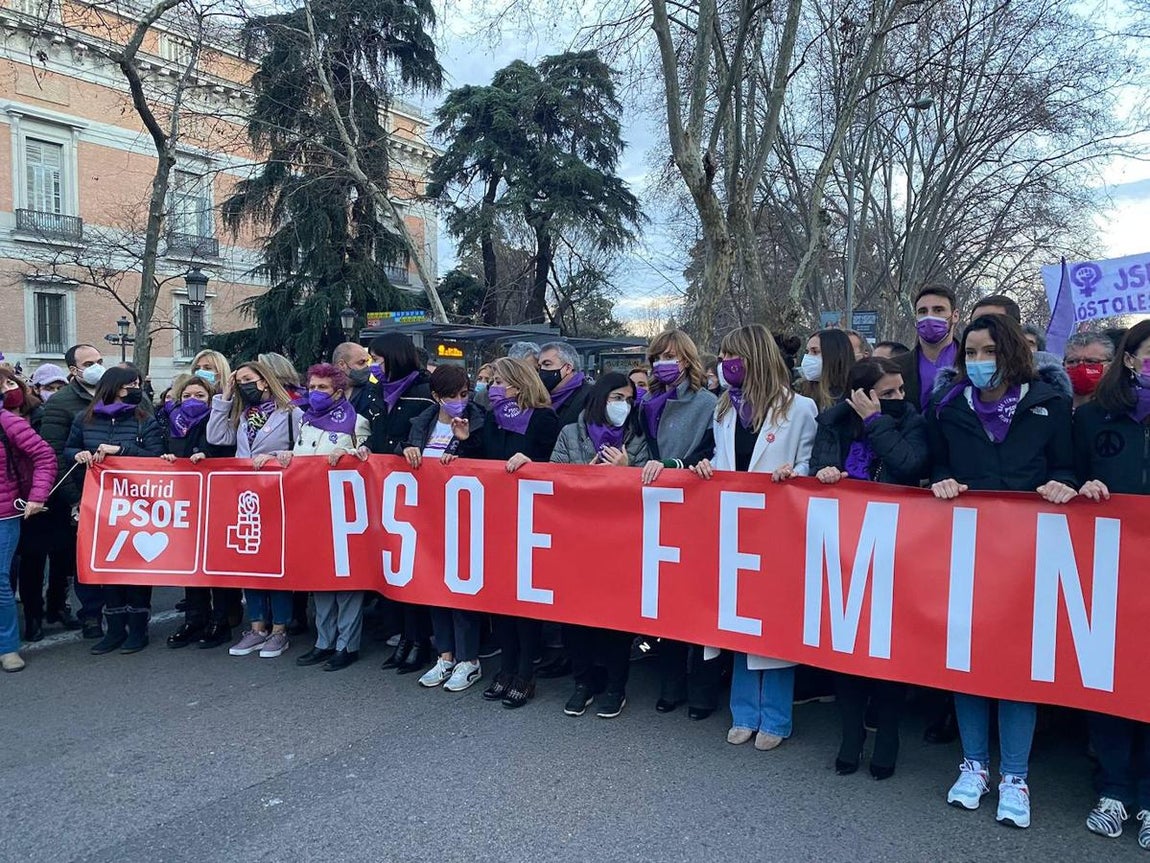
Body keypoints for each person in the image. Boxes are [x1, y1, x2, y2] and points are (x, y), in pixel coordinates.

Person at [927, 313, 1077, 829]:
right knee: (967, 661)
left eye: (989, 351)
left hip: (1028, 556)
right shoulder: (949, 407)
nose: (979, 361)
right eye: (970, 353)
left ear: (1012, 352)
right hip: (966, 553)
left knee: (1017, 667)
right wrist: (942, 479)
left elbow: (1066, 466)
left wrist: (1062, 484)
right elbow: (937, 464)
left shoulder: (1049, 404)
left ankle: (1015, 776)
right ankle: (974, 766)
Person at [690, 324, 817, 751]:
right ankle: (743, 712)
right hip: (734, 529)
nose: (726, 363)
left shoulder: (799, 408)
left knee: (775, 624)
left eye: (734, 356)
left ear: (756, 358)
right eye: (723, 355)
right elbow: (721, 457)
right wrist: (706, 467)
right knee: (738, 621)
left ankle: (776, 716)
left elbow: (809, 463)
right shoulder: (724, 408)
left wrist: (794, 474)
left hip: (779, 530)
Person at [811, 357, 928, 778]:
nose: (899, 397)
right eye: (887, 392)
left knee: (887, 645)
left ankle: (888, 733)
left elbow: (910, 466)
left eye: (901, 390)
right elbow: (817, 469)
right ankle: (851, 733)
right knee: (846, 644)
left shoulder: (911, 421)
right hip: (844, 547)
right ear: (859, 394)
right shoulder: (833, 423)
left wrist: (878, 421)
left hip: (896, 548)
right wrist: (824, 472)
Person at [1074, 319, 1150, 848]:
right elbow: (1066, 473)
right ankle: (1114, 789)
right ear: (1129, 359)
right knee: (1110, 677)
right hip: (1108, 567)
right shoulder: (1092, 417)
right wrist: (1083, 487)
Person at [551, 371, 649, 719]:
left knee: (614, 617)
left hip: (618, 540)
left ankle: (615, 686)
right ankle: (583, 682)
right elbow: (552, 478)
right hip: (575, 538)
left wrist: (626, 471)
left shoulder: (636, 438)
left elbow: (648, 491)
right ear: (600, 399)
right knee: (574, 616)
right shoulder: (570, 433)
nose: (624, 405)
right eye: (617, 398)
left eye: (629, 399)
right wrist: (584, 474)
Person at [637, 329, 719, 719]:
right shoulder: (647, 403)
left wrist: (676, 467)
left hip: (697, 506)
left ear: (687, 359)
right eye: (657, 357)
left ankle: (702, 689)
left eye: (670, 356)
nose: (662, 364)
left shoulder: (708, 403)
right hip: (659, 507)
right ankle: (671, 682)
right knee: (666, 600)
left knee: (700, 600)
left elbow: (711, 449)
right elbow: (642, 447)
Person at [474, 357, 560, 708]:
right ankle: (505, 667)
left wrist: (532, 464)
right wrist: (462, 444)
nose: (493, 387)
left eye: (499, 381)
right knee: (500, 600)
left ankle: (525, 672)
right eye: (492, 381)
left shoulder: (543, 419)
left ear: (519, 384)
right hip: (496, 519)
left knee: (525, 600)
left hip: (531, 521)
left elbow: (557, 466)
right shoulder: (492, 418)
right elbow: (483, 460)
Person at [65, 366, 165, 655]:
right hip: (100, 506)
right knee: (107, 568)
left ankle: (138, 629)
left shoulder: (144, 420)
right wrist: (78, 454)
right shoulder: (83, 419)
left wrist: (120, 450)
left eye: (137, 384)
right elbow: (68, 450)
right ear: (113, 387)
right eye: (128, 385)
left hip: (136, 506)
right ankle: (115, 629)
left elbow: (156, 458)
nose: (134, 389)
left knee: (136, 568)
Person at [207, 361, 303, 659]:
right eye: (239, 382)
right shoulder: (243, 415)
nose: (243, 386)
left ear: (264, 380)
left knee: (276, 564)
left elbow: (305, 450)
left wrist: (276, 456)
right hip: (246, 497)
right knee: (250, 562)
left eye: (247, 380)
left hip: (279, 495)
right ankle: (256, 627)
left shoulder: (291, 413)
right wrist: (225, 396)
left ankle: (279, 629)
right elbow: (216, 437)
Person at [280, 364, 372, 672]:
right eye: (312, 387)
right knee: (320, 576)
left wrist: (350, 457)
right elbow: (301, 459)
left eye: (323, 388)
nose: (316, 393)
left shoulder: (357, 422)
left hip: (345, 512)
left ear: (338, 392)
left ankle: (347, 644)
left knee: (347, 579)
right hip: (312, 510)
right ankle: (324, 641)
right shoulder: (305, 421)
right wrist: (287, 457)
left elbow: (367, 460)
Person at [403, 365, 488, 693]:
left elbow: (487, 460)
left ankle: (469, 659)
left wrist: (466, 446)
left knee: (461, 589)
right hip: (428, 518)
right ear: (436, 396)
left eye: (464, 394)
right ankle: (445, 655)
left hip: (465, 518)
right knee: (434, 587)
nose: (459, 401)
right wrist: (406, 450)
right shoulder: (422, 422)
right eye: (451, 396)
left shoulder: (478, 420)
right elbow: (409, 456)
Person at [367, 333, 436, 674]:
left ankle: (420, 639)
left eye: (378, 360)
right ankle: (405, 636)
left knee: (416, 566)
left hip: (417, 491)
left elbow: (424, 436)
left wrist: (401, 448)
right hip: (386, 489)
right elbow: (375, 433)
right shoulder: (378, 391)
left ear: (394, 358)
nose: (373, 367)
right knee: (396, 566)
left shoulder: (424, 391)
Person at [160, 375, 237, 649]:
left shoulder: (218, 420)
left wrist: (206, 456)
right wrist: (166, 458)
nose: (193, 400)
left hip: (216, 501)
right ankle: (195, 619)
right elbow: (157, 451)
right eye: (187, 396)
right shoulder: (170, 422)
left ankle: (221, 620)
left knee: (216, 562)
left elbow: (228, 450)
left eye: (200, 396)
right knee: (189, 564)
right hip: (183, 503)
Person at [38, 344, 106, 639]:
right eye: (89, 363)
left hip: (117, 493)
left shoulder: (118, 393)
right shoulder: (61, 402)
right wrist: (74, 498)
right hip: (79, 493)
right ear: (74, 370)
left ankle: (121, 613)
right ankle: (89, 614)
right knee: (80, 558)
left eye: (99, 361)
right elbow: (52, 454)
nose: (97, 367)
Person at [0, 396, 56, 672]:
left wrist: (37, 495)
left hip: (4, 515)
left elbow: (44, 455)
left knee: (0, 580)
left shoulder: (7, 421)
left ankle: (7, 647)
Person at [894, 284, 960, 413]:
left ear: (955, 315)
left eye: (938, 310)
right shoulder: (896, 367)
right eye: (923, 312)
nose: (929, 317)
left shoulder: (971, 364)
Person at [538, 341, 594, 427]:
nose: (541, 370)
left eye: (547, 364)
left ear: (568, 368)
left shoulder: (591, 397)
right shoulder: (539, 397)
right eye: (539, 366)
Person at [797, 328, 854, 411]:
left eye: (815, 352)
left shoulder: (850, 400)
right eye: (807, 352)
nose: (808, 357)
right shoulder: (803, 392)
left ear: (834, 356)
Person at [1063, 331, 1114, 410]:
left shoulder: (1119, 409)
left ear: (1110, 366)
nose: (1080, 367)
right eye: (1072, 361)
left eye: (1091, 361)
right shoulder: (1049, 404)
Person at [332, 341, 379, 420]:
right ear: (342, 365)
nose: (367, 367)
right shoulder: (324, 391)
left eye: (367, 362)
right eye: (361, 362)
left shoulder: (375, 392)